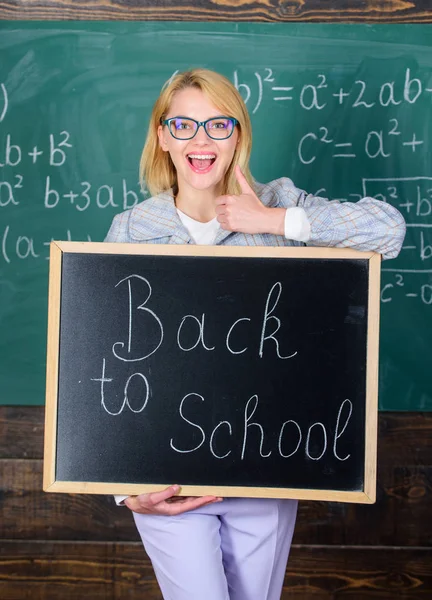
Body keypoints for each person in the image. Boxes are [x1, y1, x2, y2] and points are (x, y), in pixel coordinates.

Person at [104, 68, 406, 600]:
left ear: (238, 134)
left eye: (218, 125)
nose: (201, 140)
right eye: (184, 125)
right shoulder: (131, 229)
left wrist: (273, 221)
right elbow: (99, 361)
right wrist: (125, 493)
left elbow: (389, 231)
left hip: (265, 468)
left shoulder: (276, 201)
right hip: (166, 476)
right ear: (162, 136)